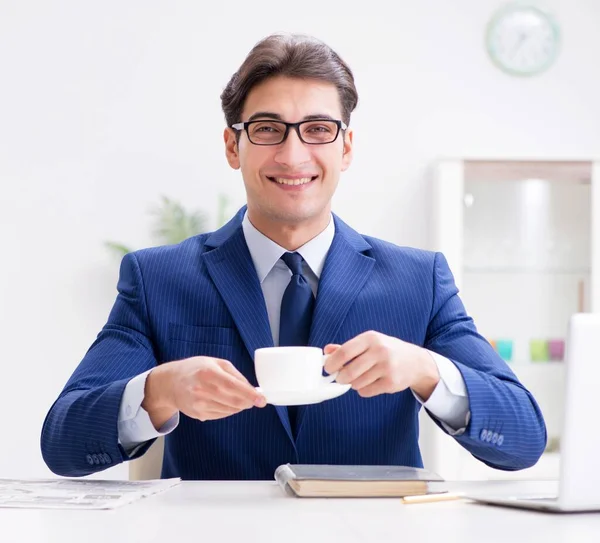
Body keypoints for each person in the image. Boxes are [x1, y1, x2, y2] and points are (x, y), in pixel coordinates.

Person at [41, 33, 546, 480]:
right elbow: (62, 443)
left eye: (318, 129)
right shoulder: (159, 278)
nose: (293, 154)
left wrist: (427, 371)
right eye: (266, 129)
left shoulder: (418, 281)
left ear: (346, 148)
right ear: (232, 146)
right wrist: (158, 391)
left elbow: (524, 439)